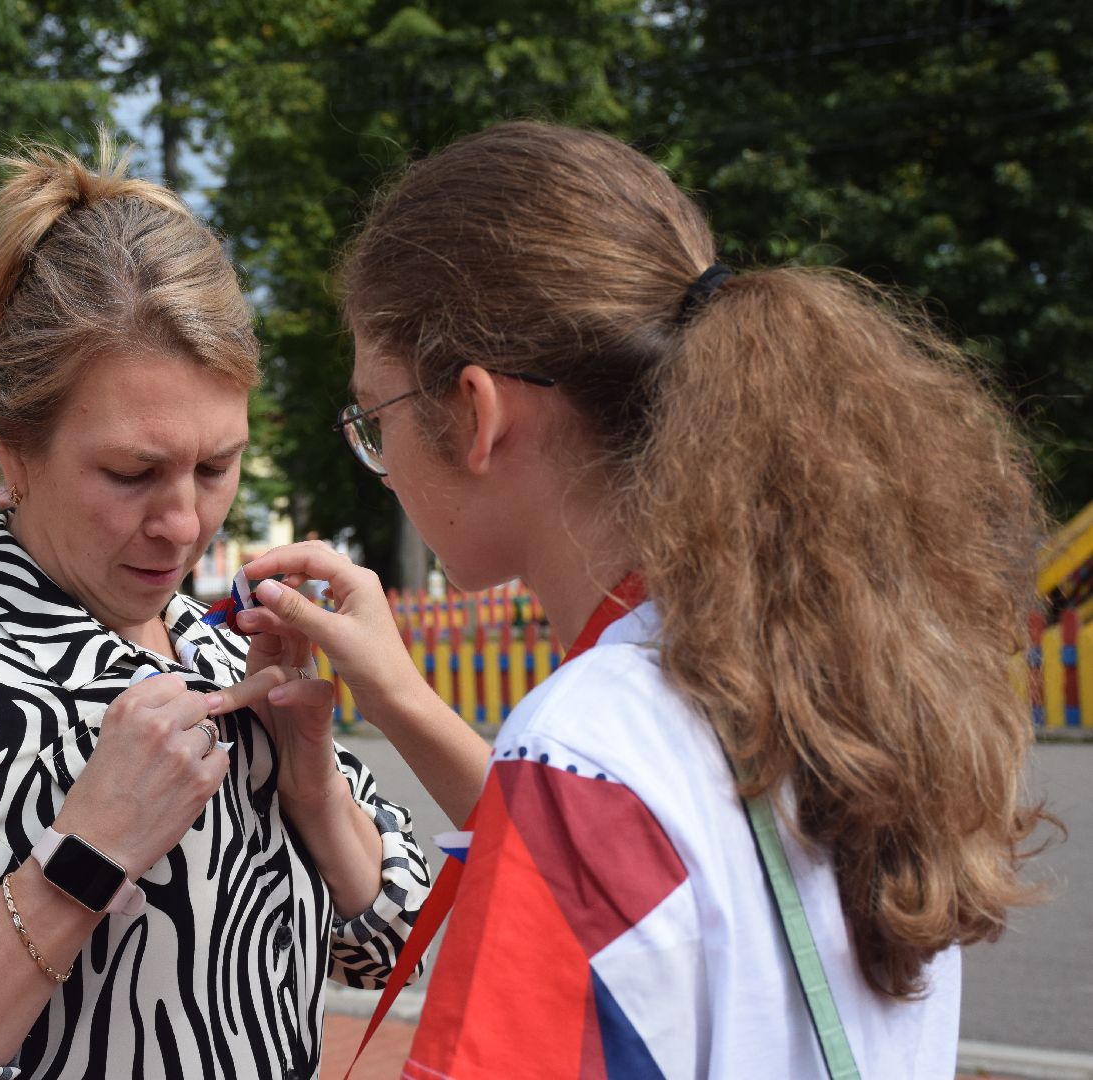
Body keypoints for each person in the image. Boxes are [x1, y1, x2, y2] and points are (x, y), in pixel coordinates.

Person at [234, 121, 1054, 1078]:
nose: (378, 462)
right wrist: (404, 698)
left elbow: (591, 828)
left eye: (374, 420)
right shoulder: (806, 666)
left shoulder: (587, 750)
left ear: (478, 412)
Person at [0, 138, 430, 1080]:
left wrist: (314, 786)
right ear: (14, 454)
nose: (182, 522)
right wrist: (81, 861)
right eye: (131, 473)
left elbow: (398, 942)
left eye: (216, 466)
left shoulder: (217, 654)